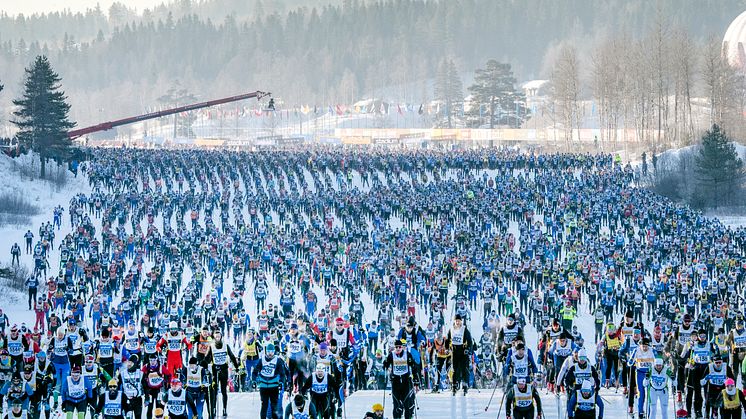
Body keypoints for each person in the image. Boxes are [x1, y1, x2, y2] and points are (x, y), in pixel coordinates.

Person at [251, 343, 290, 419]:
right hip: (263, 385)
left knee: (274, 406)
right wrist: (254, 381)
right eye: (268, 351)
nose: (270, 353)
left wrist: (282, 382)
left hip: (274, 385)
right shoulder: (261, 360)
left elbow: (282, 373)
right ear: (266, 352)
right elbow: (255, 372)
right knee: (264, 405)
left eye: (272, 351)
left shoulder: (278, 360)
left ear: (274, 352)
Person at [383, 339, 417, 419]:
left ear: (402, 347)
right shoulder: (391, 355)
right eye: (396, 347)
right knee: (396, 404)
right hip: (396, 382)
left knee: (406, 404)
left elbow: (413, 366)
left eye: (399, 347)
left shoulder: (407, 354)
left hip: (405, 381)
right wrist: (385, 364)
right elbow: (386, 365)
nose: (398, 348)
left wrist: (415, 378)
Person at [446, 314, 473, 395]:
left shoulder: (464, 329)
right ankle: (454, 385)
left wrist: (468, 349)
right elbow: (447, 339)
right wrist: (447, 348)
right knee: (454, 369)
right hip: (454, 351)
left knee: (464, 368)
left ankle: (465, 385)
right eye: (456, 321)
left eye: (459, 321)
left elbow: (470, 341)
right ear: (454, 321)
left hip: (463, 351)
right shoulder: (451, 329)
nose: (457, 322)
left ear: (461, 321)